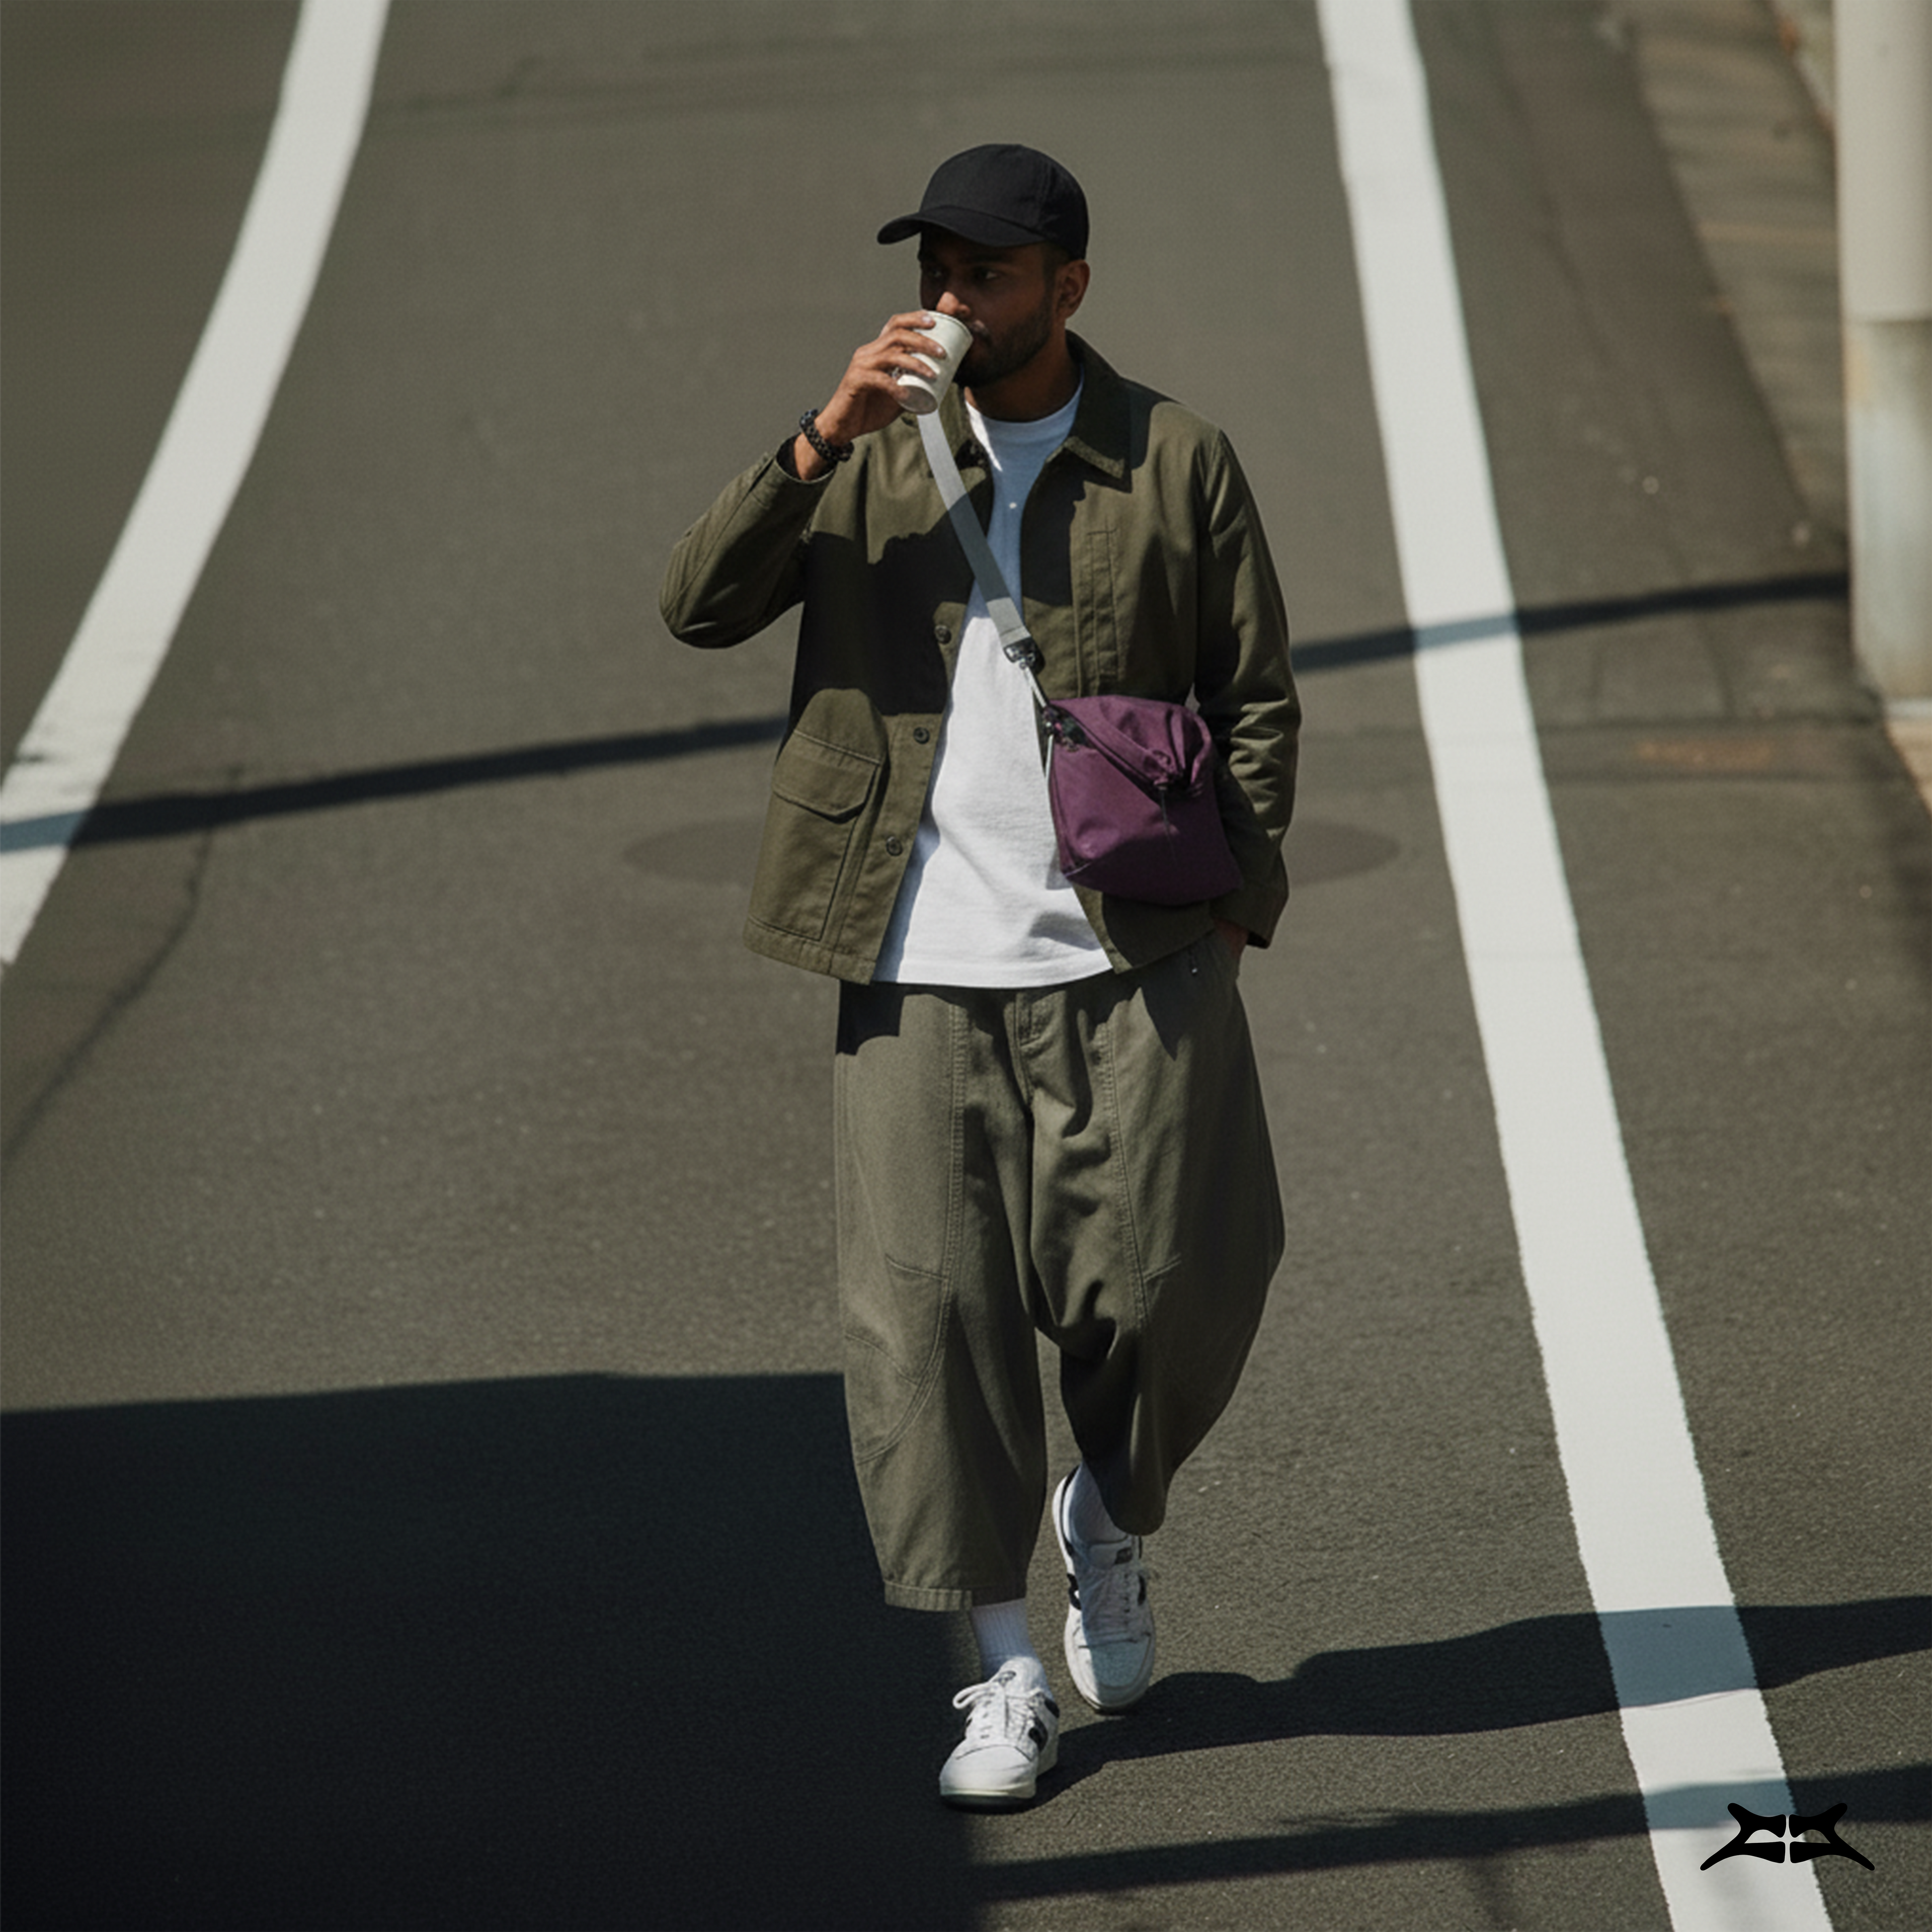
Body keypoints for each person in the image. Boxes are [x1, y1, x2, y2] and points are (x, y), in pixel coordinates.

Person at [660, 144, 1297, 1809]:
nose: (953, 299)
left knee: (1169, 1287)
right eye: (938, 269)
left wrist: (1237, 906)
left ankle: (1110, 1509)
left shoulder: (1174, 457)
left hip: (1130, 949)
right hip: (913, 957)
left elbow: (1253, 695)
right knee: (932, 1321)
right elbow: (698, 606)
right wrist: (823, 434)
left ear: (1068, 288)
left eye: (989, 275)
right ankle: (1005, 1669)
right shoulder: (869, 451)